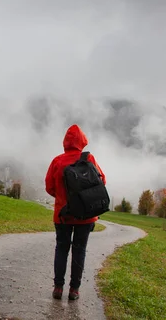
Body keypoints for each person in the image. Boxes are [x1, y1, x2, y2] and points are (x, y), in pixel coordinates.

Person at [45, 124, 106, 301]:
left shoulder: (57, 161)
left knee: (62, 249)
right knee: (80, 250)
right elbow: (102, 181)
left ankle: (58, 287)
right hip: (85, 216)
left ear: (65, 141)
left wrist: (63, 198)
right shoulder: (89, 158)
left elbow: (49, 187)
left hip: (63, 215)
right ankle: (74, 290)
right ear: (82, 141)